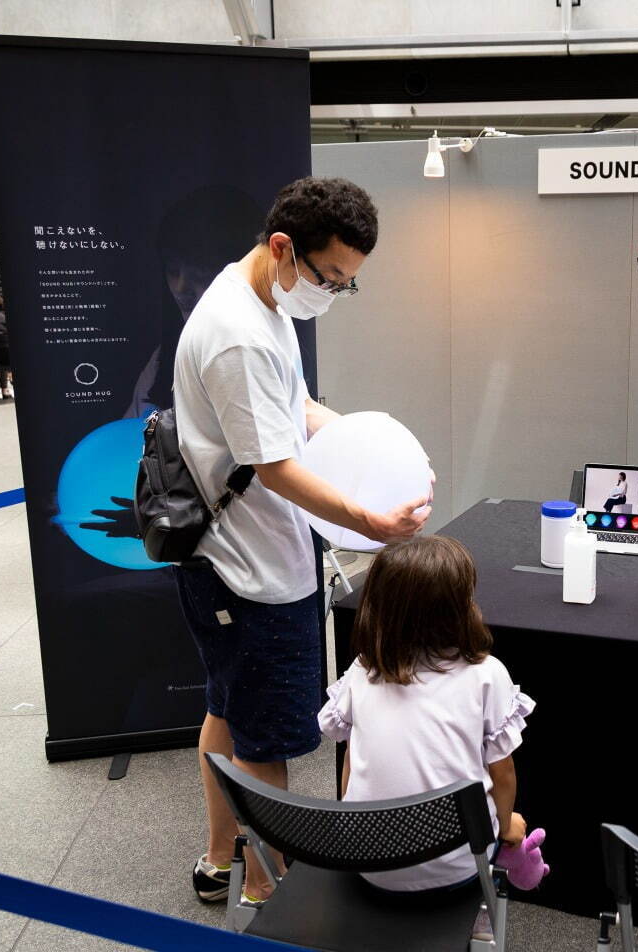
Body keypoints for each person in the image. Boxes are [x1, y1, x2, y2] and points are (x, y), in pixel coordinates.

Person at [173, 176, 432, 906]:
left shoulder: (255, 294)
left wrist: (376, 448)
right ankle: (265, 889)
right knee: (265, 746)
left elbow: (294, 409)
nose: (334, 292)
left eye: (348, 284)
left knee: (227, 711)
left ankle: (221, 857)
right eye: (333, 278)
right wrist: (367, 522)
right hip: (252, 575)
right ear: (285, 248)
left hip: (228, 563)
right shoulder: (239, 337)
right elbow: (274, 465)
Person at [318, 535, 534, 897]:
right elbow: (503, 773)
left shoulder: (363, 671)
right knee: (511, 822)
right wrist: (506, 824)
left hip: (365, 861)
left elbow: (352, 761)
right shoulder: (486, 673)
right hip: (457, 867)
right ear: (459, 609)